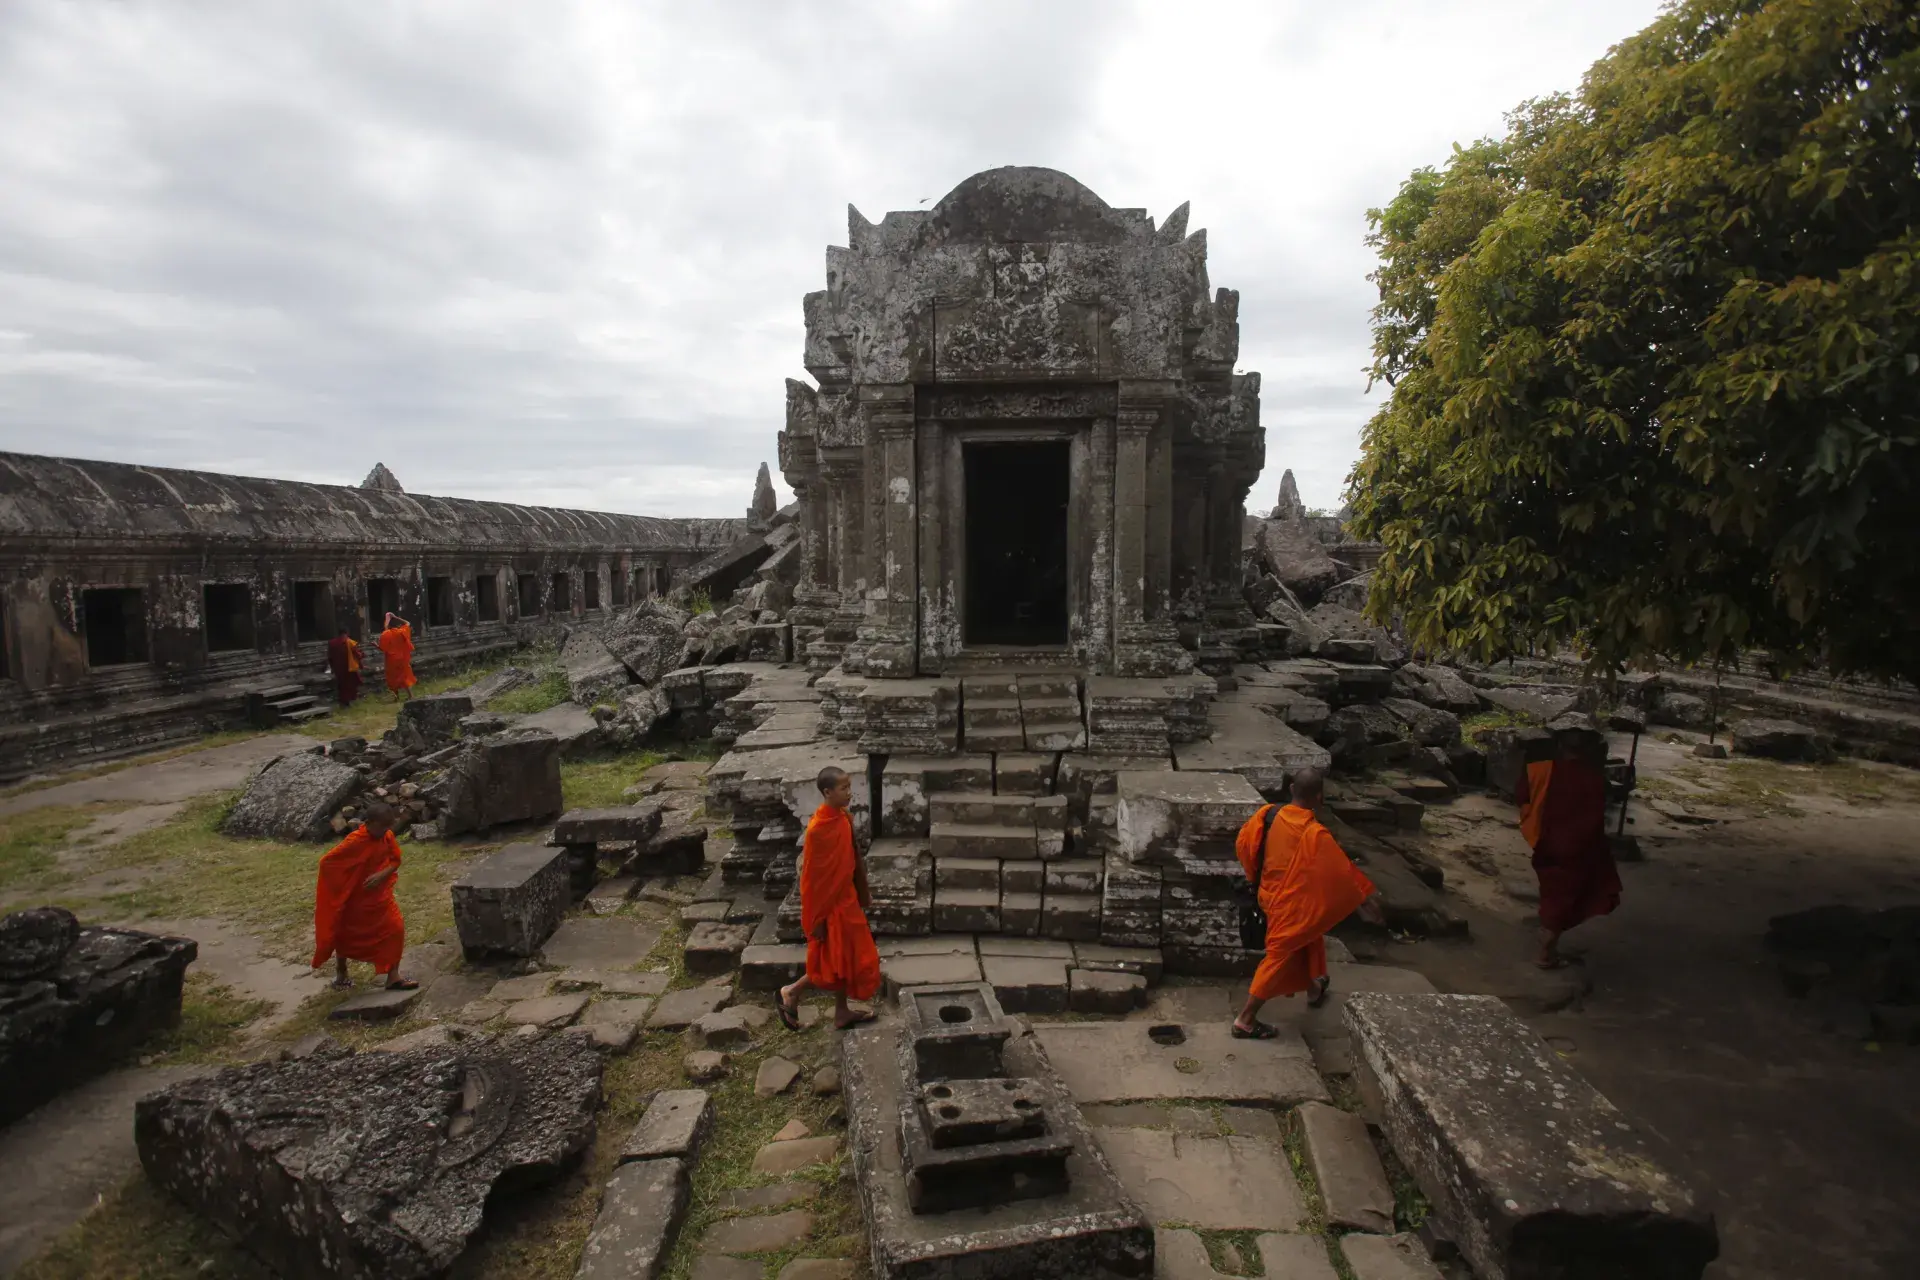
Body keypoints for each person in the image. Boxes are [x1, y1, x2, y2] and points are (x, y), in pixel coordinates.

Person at [1231, 768, 1385, 1039]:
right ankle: (1245, 1019)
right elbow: (1340, 873)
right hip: (1289, 904)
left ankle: (1314, 989)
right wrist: (1363, 901)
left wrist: (1255, 876)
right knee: (1279, 956)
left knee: (1310, 933)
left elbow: (1244, 844)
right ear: (1319, 797)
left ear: (1292, 789)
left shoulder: (1267, 814)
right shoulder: (1315, 834)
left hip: (1266, 894)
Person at [777, 765, 880, 1031]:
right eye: (843, 788)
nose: (849, 793)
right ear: (827, 792)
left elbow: (850, 860)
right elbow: (813, 880)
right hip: (830, 906)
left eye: (849, 787)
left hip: (846, 898)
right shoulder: (818, 829)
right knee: (835, 960)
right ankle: (792, 991)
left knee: (847, 957)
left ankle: (841, 1012)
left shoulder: (842, 817)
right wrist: (818, 918)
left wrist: (861, 891)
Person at [1516, 726, 1622, 969]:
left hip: (1546, 841)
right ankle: (1544, 952)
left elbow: (1521, 795)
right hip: (1579, 846)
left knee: (1554, 893)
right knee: (1566, 897)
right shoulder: (1594, 779)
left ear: (1560, 746)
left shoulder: (1541, 771)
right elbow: (1597, 816)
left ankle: (1548, 942)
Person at [311, 802, 415, 991]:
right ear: (370, 823)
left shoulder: (386, 836)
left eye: (389, 826)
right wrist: (345, 884)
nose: (386, 830)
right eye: (382, 826)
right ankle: (341, 973)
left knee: (395, 928)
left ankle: (393, 977)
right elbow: (327, 863)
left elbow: (395, 860)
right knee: (344, 934)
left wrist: (381, 875)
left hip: (379, 897)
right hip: (354, 898)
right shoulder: (355, 841)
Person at [377, 611, 415, 701]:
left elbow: (382, 648)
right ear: (397, 625)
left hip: (391, 660)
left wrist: (375, 645)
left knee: (392, 678)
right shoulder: (401, 631)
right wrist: (396, 617)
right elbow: (407, 623)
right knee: (404, 677)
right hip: (402, 658)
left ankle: (396, 697)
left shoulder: (386, 634)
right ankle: (410, 696)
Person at [324, 626, 361, 707]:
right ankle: (348, 700)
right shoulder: (350, 642)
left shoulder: (331, 643)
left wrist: (332, 668)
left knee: (342, 685)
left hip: (337, 667)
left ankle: (344, 701)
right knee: (350, 684)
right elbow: (357, 655)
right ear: (347, 633)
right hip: (349, 667)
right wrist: (361, 661)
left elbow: (329, 657)